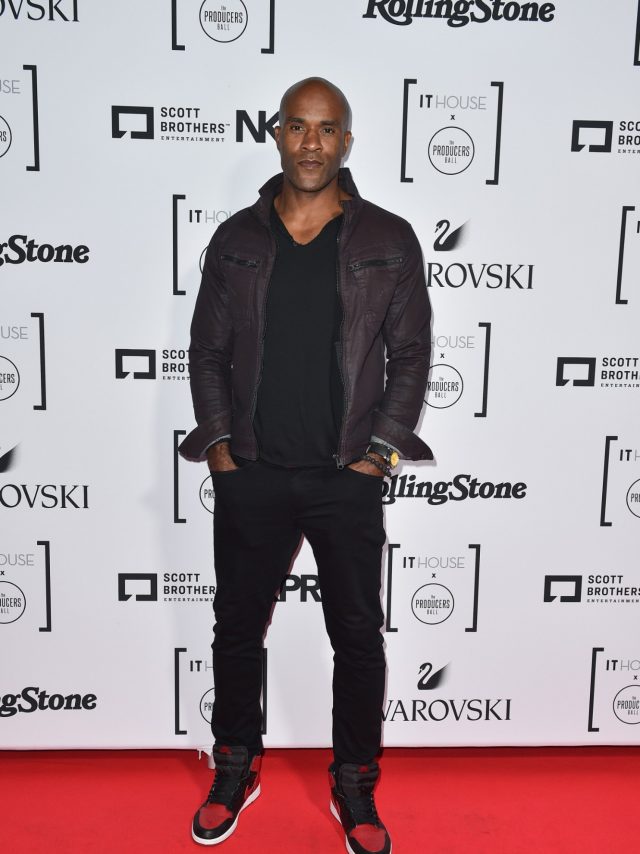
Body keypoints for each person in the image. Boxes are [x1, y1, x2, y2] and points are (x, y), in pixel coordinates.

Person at [179, 76, 432, 853]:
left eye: (327, 129)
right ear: (278, 134)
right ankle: (235, 762)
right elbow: (207, 350)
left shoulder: (389, 239)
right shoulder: (237, 239)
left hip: (344, 475)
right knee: (235, 627)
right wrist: (220, 448)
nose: (312, 143)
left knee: (356, 634)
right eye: (297, 126)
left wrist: (378, 455)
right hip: (252, 471)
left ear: (346, 141)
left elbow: (411, 355)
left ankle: (354, 780)